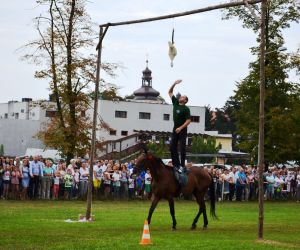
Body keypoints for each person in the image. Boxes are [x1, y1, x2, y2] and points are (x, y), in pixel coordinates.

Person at [168, 79, 191, 174]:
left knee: (182, 147)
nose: (181, 97)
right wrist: (174, 83)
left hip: (182, 129)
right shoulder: (176, 103)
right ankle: (176, 164)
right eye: (181, 96)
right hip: (175, 128)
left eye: (183, 97)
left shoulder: (186, 109)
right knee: (172, 146)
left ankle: (182, 166)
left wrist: (180, 128)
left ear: (185, 101)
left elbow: (188, 120)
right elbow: (170, 92)